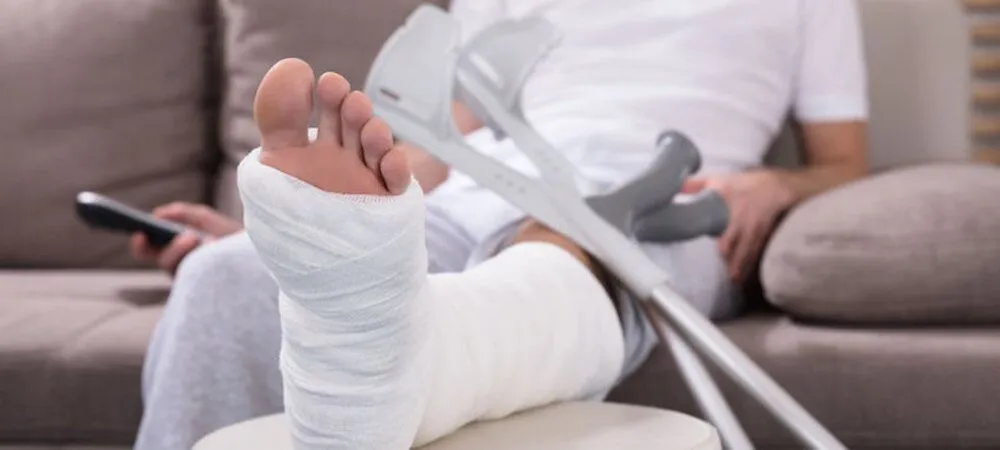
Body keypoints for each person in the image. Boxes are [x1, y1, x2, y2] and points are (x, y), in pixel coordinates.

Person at [135, 0, 869, 448]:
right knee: (221, 279)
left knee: (562, 243)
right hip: (482, 180)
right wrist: (312, 235)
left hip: (666, 201)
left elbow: (842, 163)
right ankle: (363, 319)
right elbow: (437, 140)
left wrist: (779, 182)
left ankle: (394, 365)